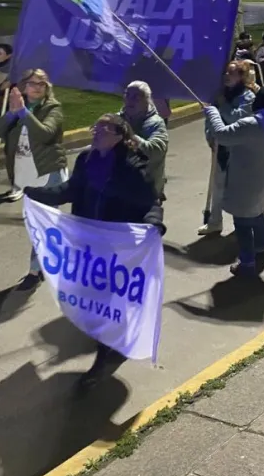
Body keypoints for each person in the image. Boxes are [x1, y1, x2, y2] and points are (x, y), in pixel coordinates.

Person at [25, 113, 165, 386]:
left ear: (119, 136)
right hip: (88, 242)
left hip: (117, 245)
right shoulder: (86, 160)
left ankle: (104, 358)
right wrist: (37, 194)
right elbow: (70, 190)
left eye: (104, 128)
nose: (96, 132)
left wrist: (153, 226)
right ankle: (114, 338)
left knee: (108, 301)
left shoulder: (134, 166)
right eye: (95, 127)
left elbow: (151, 201)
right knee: (92, 296)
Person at [0, 68, 67, 289]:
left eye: (41, 84)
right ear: (24, 85)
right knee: (37, 223)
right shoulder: (16, 108)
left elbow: (44, 134)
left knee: (43, 224)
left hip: (48, 174)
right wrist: (12, 114)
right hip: (26, 175)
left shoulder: (53, 108)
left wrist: (24, 113)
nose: (37, 87)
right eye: (33, 83)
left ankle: (36, 270)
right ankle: (49, 259)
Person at [202, 88, 264, 278]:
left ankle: (247, 262)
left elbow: (222, 135)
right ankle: (261, 249)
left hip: (244, 182)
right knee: (259, 216)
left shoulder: (251, 124)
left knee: (242, 223)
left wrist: (212, 112)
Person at [199, 62, 256, 236]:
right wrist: (210, 137)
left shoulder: (248, 98)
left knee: (240, 188)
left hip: (239, 150)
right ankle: (215, 222)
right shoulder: (219, 95)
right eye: (226, 72)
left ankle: (244, 223)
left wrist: (222, 105)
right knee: (217, 187)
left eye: (231, 73)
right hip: (220, 149)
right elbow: (209, 119)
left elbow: (235, 119)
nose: (227, 76)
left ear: (241, 76)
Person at [120, 81, 169, 197]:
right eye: (127, 95)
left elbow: (156, 151)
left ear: (147, 99)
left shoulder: (156, 123)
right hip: (119, 189)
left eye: (136, 96)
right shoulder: (116, 119)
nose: (130, 100)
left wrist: (132, 137)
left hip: (147, 190)